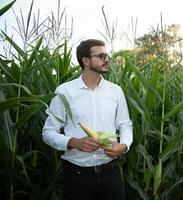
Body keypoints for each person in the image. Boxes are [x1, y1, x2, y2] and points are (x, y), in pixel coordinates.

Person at [42, 39, 133, 200]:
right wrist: (74, 142)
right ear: (85, 60)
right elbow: (48, 132)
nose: (107, 59)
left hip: (110, 171)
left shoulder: (116, 91)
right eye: (101, 56)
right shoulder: (64, 91)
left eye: (107, 55)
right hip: (77, 175)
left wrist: (123, 146)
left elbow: (125, 125)